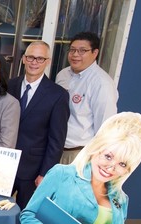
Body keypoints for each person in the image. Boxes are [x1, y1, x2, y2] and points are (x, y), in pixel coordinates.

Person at [8, 41, 70, 210]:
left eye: (40, 58)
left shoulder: (58, 95)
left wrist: (45, 173)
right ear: (23, 59)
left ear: (47, 61)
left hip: (33, 169)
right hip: (5, 164)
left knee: (25, 216)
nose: (34, 62)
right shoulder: (9, 86)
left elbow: (57, 140)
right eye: (30, 57)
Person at [56, 32, 118, 164]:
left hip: (78, 154)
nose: (75, 54)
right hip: (54, 148)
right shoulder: (63, 75)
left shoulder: (101, 83)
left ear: (95, 53)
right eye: (72, 50)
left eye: (82, 50)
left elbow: (105, 127)